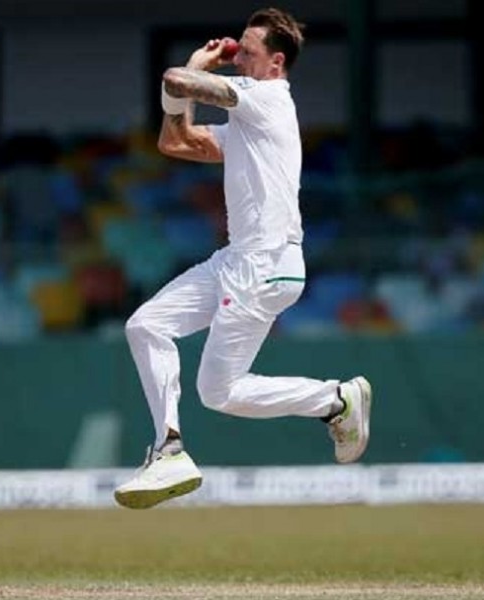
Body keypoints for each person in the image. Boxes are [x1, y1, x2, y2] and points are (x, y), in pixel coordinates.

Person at [114, 8, 372, 510]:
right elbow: (174, 140)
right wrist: (194, 82)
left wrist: (196, 64)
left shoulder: (269, 98)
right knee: (146, 327)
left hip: (265, 264)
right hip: (237, 260)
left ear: (276, 63)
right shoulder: (248, 124)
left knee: (218, 391)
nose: (238, 60)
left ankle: (334, 400)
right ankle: (171, 446)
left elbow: (174, 79)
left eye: (247, 53)